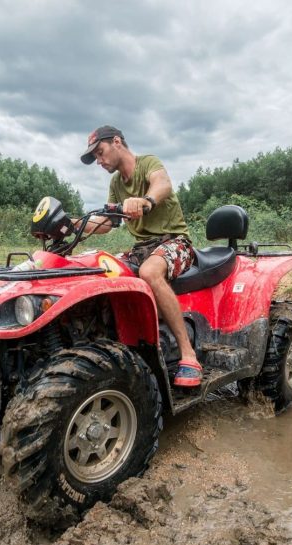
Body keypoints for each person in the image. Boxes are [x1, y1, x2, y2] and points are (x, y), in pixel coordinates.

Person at [77, 125, 202, 389]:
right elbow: (109, 223)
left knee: (149, 272)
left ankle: (188, 354)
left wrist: (145, 200)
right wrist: (74, 224)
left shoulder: (148, 163)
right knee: (98, 268)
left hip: (174, 241)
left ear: (117, 142)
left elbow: (162, 184)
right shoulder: (115, 183)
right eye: (96, 158)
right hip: (143, 247)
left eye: (100, 153)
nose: (99, 161)